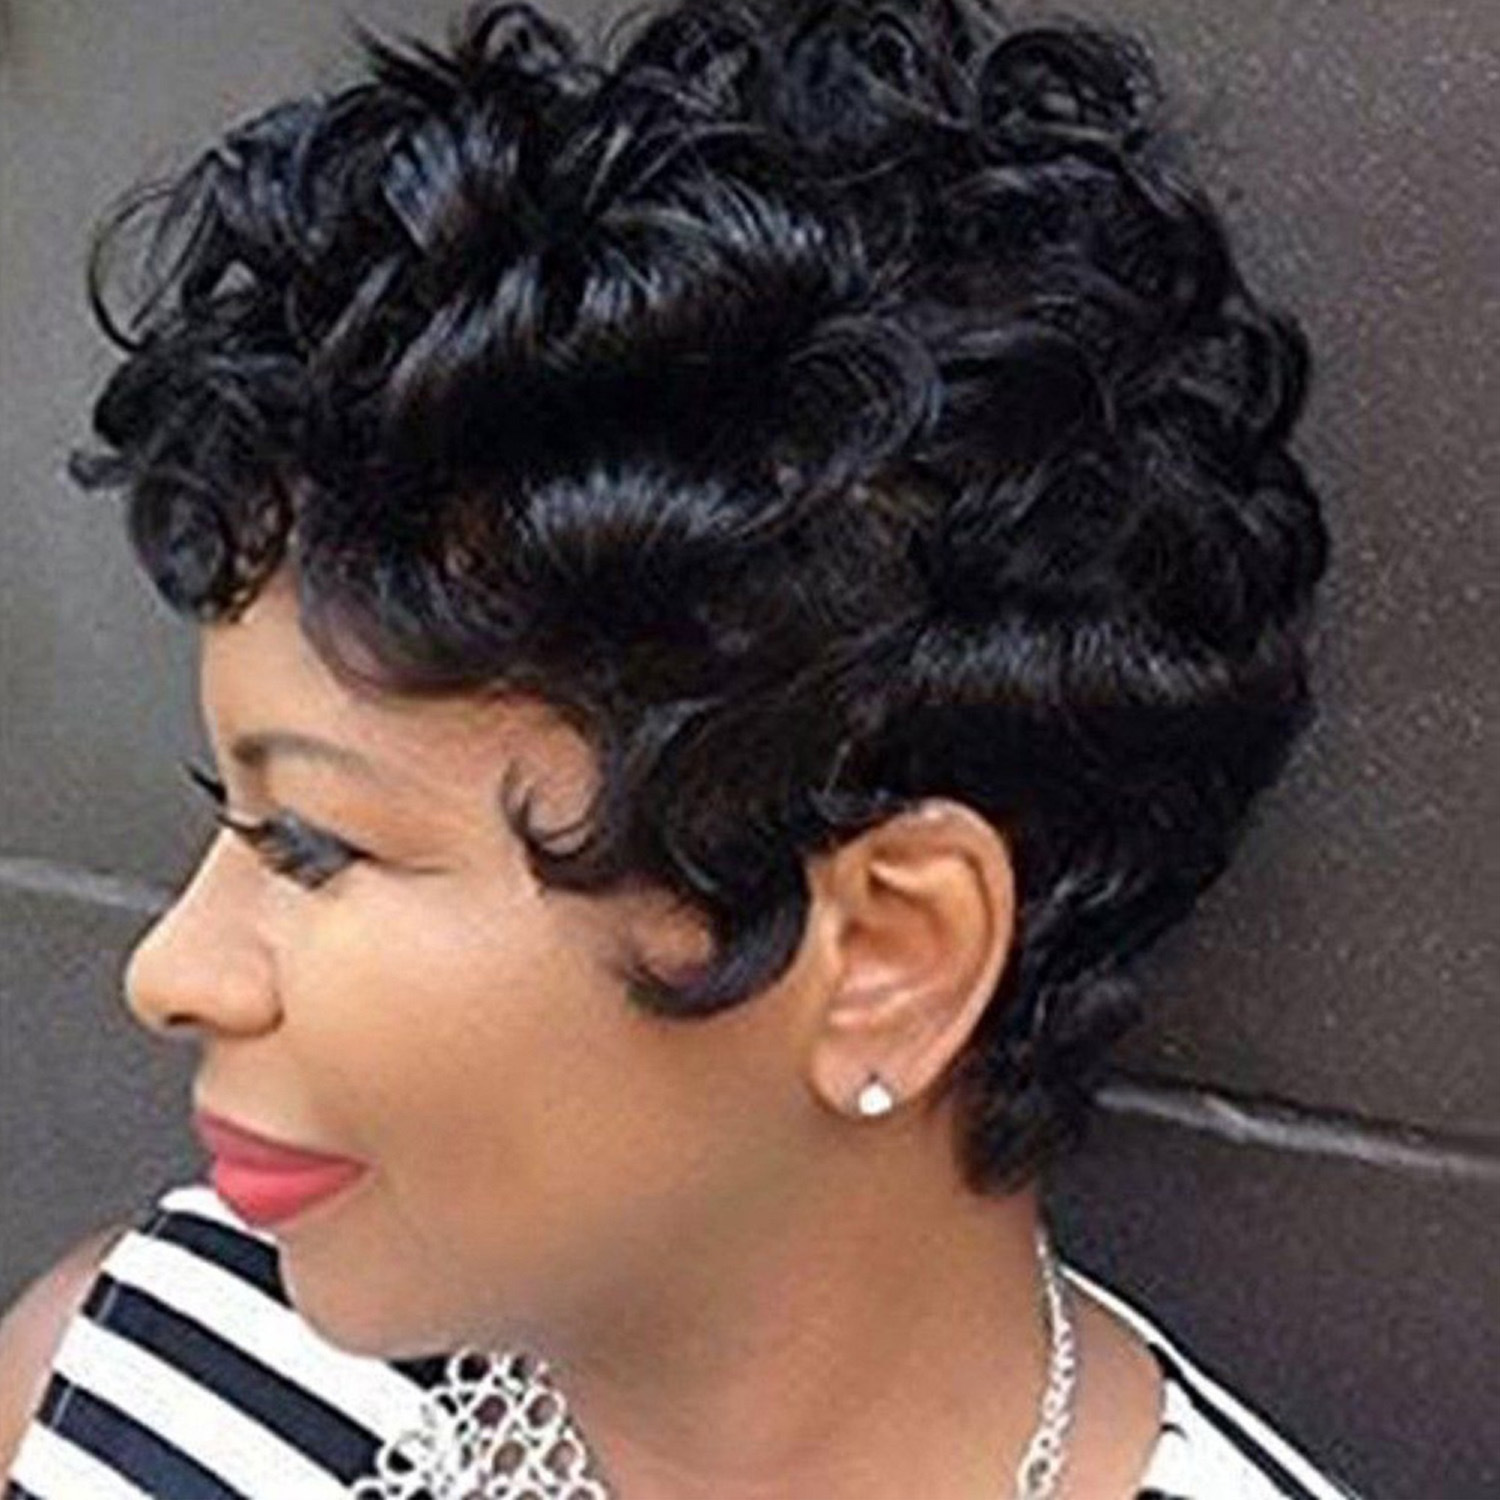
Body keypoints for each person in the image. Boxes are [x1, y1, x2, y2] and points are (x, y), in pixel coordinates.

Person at [0, 0, 1366, 1496]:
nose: (173, 969)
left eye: (317, 843)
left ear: (890, 951)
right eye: (234, 809)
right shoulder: (122, 1378)